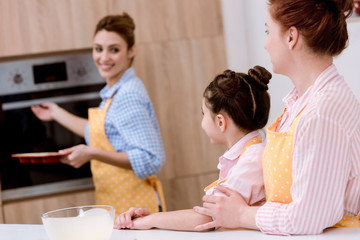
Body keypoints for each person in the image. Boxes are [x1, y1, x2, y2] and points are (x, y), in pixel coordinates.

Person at [193, 0, 360, 235]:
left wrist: (241, 214)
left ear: (291, 37)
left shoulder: (322, 112)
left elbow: (308, 218)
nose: (266, 44)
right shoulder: (303, 103)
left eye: (267, 32)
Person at [31, 13, 166, 216]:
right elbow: (101, 133)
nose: (103, 58)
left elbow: (150, 159)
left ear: (131, 51)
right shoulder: (117, 91)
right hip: (122, 206)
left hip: (136, 209)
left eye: (114, 50)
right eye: (98, 49)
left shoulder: (128, 95)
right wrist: (56, 113)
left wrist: (91, 153)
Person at [113, 66, 272, 231]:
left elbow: (207, 217)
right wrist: (149, 219)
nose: (202, 122)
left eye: (204, 114)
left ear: (220, 122)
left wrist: (148, 221)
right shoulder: (248, 154)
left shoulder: (253, 159)